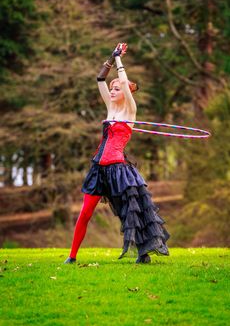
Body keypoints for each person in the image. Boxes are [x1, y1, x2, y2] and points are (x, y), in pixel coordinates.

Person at [64, 43, 170, 264]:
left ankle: (143, 254)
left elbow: (122, 80)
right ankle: (72, 257)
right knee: (85, 213)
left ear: (127, 93)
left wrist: (120, 59)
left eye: (117, 89)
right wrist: (111, 58)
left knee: (129, 214)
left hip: (118, 170)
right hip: (98, 168)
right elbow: (100, 79)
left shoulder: (130, 111)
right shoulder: (110, 108)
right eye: (112, 90)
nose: (112, 91)